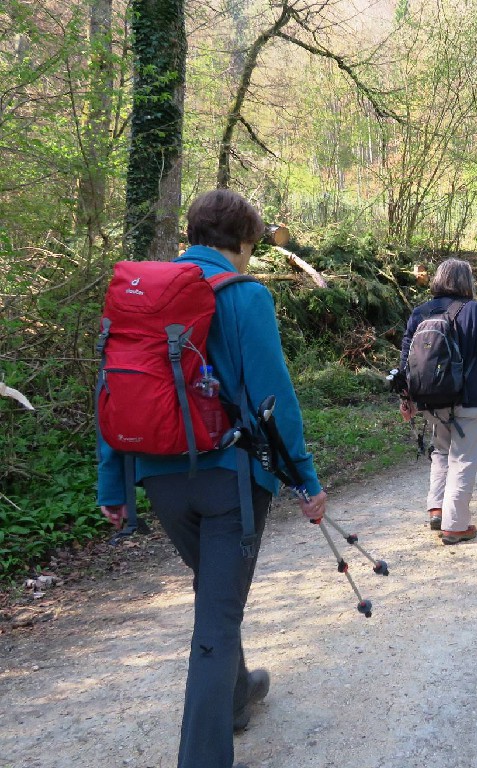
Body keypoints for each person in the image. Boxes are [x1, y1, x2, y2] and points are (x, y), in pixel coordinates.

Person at [97, 189, 328, 768]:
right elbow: (273, 398)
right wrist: (305, 480)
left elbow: (112, 390)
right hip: (229, 479)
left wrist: (112, 485)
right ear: (245, 240)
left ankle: (235, 694)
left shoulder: (142, 296)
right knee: (217, 615)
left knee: (215, 593)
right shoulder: (244, 294)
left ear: (194, 233)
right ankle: (203, 757)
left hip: (156, 476)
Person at [401, 258, 477, 543]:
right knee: (463, 459)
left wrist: (407, 398)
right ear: (467, 281)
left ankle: (437, 508)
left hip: (431, 400)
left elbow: (406, 361)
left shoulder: (420, 312)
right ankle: (455, 525)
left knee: (441, 452)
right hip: (470, 398)